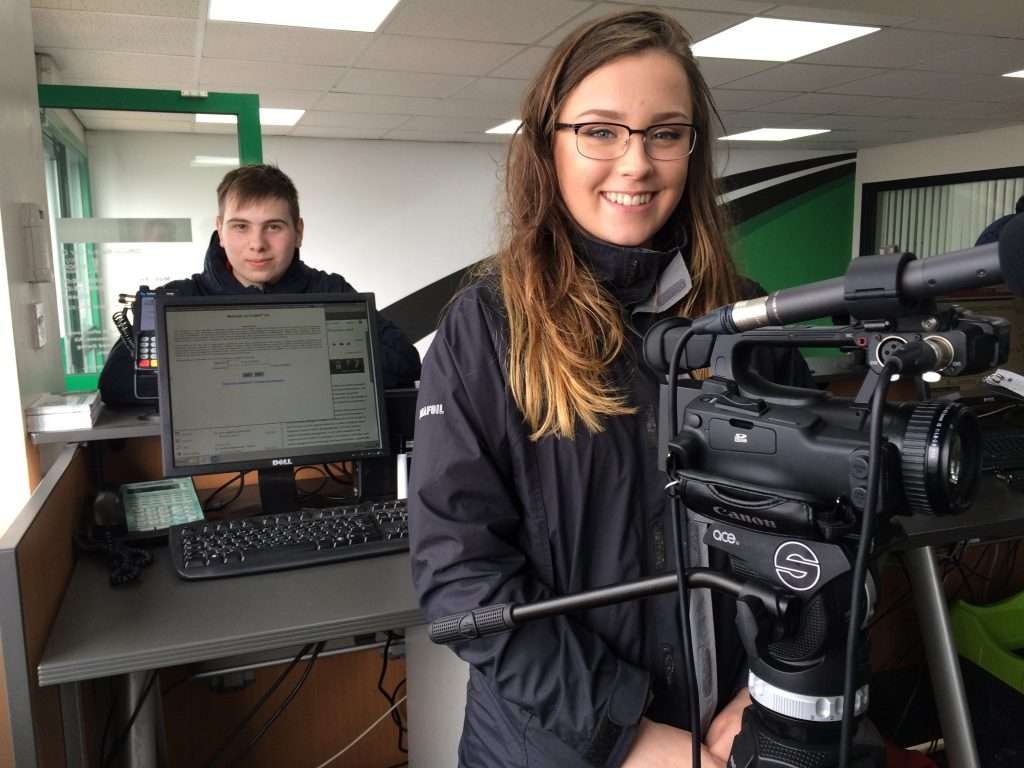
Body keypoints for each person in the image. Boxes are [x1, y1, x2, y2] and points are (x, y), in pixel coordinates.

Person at [409, 10, 813, 768]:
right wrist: (628, 735)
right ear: (548, 147)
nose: (636, 164)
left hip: (737, 735)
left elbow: (815, 534)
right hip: (560, 747)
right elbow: (462, 578)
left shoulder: (749, 320)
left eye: (665, 133)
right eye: (600, 131)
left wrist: (765, 690)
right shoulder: (487, 327)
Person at [98, 164, 420, 405]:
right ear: (220, 231)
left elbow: (404, 362)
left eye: (273, 227)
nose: (257, 244)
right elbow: (118, 382)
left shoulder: (330, 291)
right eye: (241, 227)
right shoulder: (179, 298)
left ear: (299, 232)